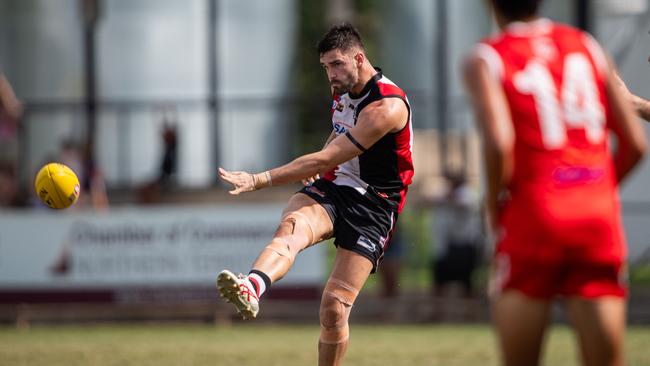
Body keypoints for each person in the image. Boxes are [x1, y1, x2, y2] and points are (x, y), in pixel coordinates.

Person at [217, 23, 414, 366]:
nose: (331, 75)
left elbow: (328, 157)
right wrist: (321, 163)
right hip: (334, 186)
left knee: (334, 308)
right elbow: (336, 140)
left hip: (375, 205)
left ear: (359, 58)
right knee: (292, 228)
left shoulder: (387, 107)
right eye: (326, 67)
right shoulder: (343, 89)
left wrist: (259, 179)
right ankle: (253, 285)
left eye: (336, 64)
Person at [463, 1, 646, 365]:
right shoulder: (587, 45)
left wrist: (494, 211)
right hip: (596, 217)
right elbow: (636, 145)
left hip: (535, 212)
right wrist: (600, 191)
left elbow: (499, 142)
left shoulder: (486, 57)